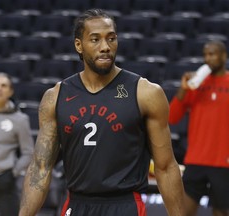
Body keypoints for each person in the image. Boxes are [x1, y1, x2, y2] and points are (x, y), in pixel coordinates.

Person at [19, 9, 185, 216]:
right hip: (76, 204)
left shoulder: (146, 93)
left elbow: (166, 167)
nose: (105, 47)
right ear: (79, 45)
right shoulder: (55, 97)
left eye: (111, 39)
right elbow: (40, 168)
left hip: (124, 205)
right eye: (95, 40)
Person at [169, 40, 229, 216]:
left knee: (221, 212)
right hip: (196, 160)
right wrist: (183, 89)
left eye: (212, 54)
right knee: (183, 212)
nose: (208, 58)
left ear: (223, 56)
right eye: (205, 55)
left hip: (223, 161)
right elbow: (172, 117)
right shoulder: (196, 83)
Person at [0, 72, 34, 216]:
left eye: (3, 85)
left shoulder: (20, 119)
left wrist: (13, 172)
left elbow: (28, 152)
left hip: (4, 179)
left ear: (10, 91)